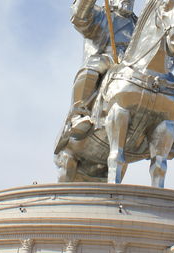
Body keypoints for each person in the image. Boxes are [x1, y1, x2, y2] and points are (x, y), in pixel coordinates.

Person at [55, 0, 137, 154]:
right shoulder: (102, 14)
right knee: (92, 67)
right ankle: (79, 114)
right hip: (106, 57)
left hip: (132, 67)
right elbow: (79, 18)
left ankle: (155, 124)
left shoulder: (138, 23)